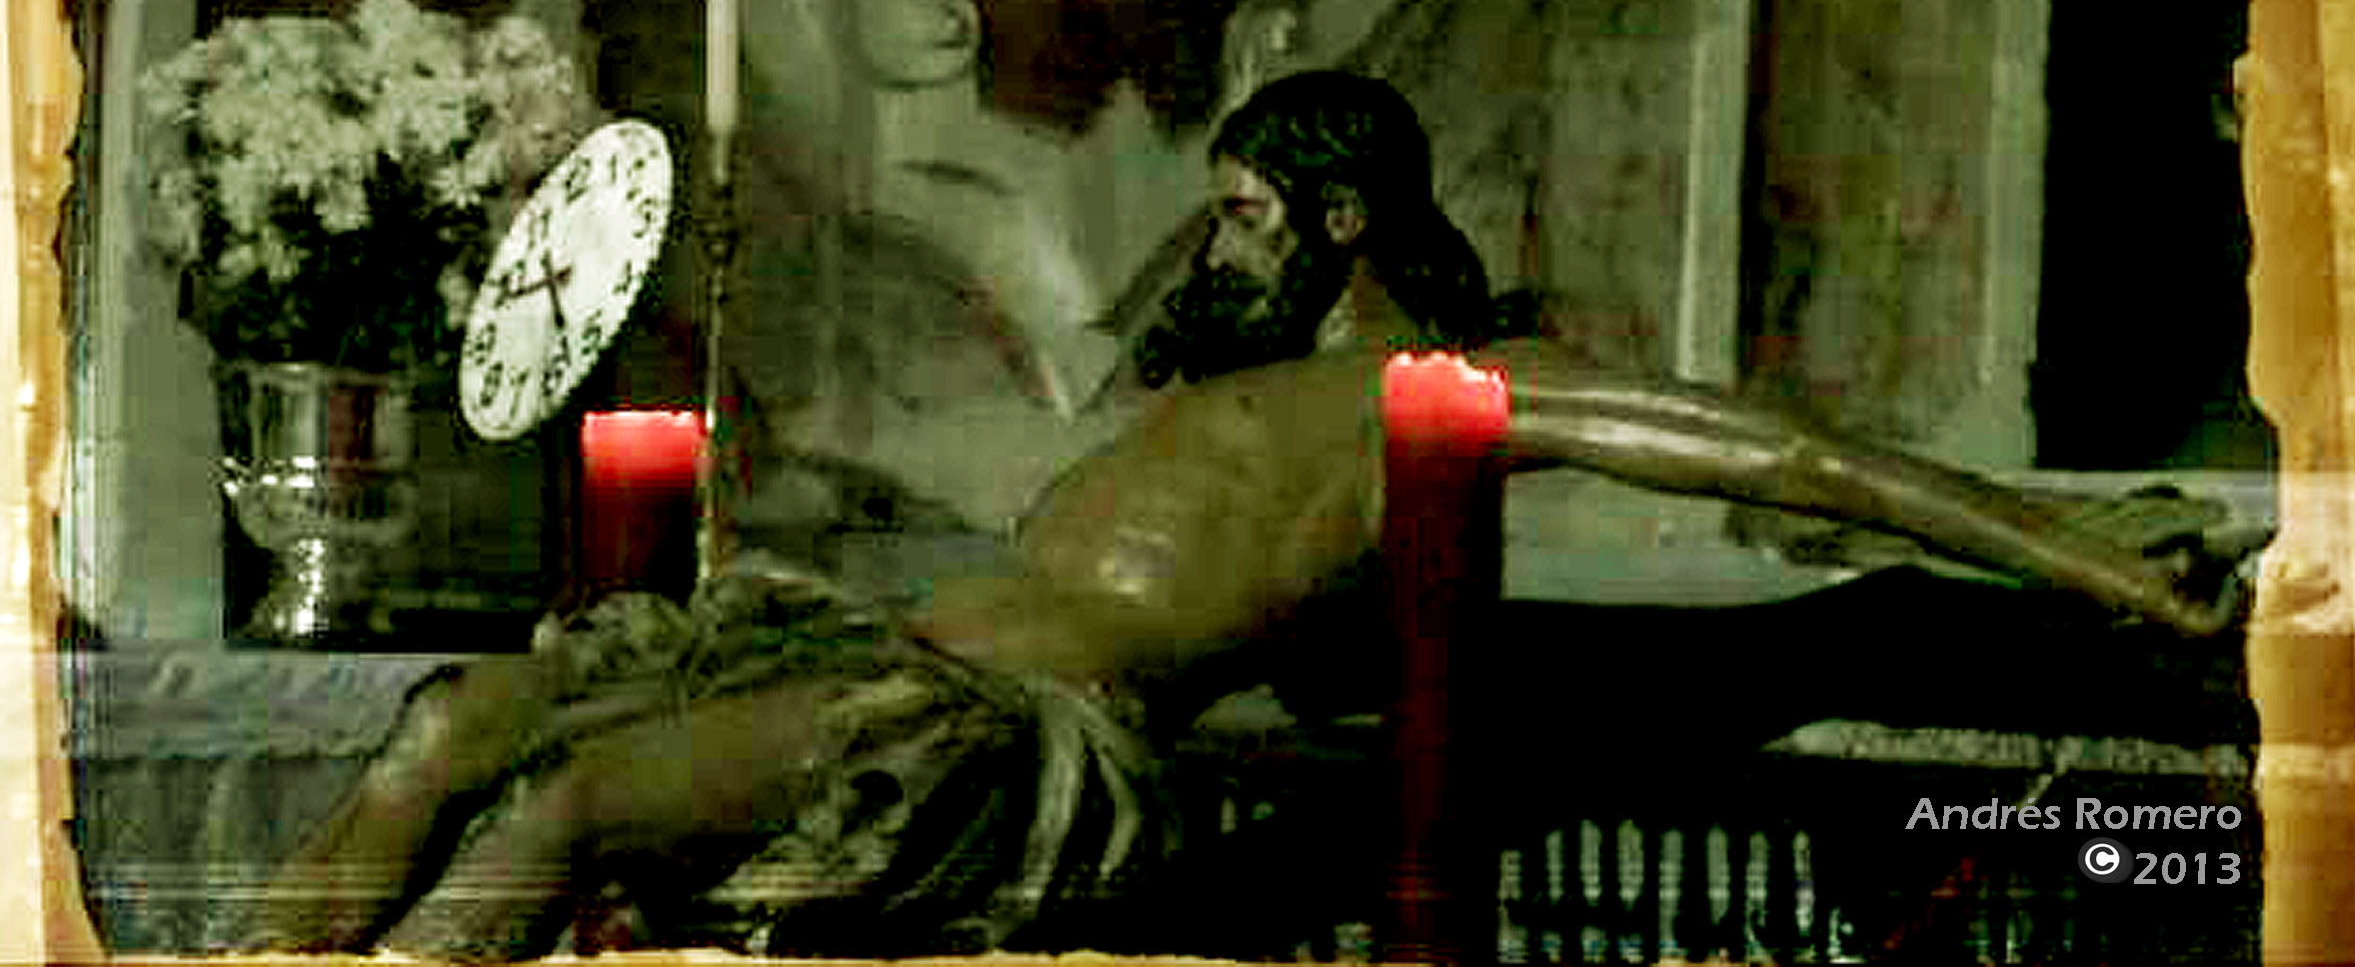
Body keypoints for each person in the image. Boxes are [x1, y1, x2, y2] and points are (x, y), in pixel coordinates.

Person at [246, 71, 2244, 960]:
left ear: (1342, 219)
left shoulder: (1452, 391)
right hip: (867, 645)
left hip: (975, 732)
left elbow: (1787, 457)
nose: (1212, 247)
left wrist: (2073, 549)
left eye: (1246, 214)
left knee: (566, 807)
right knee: (452, 724)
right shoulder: (1217, 396)